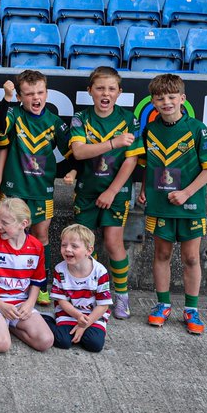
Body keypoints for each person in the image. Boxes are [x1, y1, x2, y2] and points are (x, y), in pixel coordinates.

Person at [139, 73, 207, 335]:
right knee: (162, 254)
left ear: (182, 99)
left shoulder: (198, 129)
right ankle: (162, 304)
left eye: (172, 97)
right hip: (160, 205)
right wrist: (142, 190)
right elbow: (148, 166)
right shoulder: (150, 130)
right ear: (153, 101)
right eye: (160, 97)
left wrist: (186, 193)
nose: (166, 102)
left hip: (190, 205)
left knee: (190, 257)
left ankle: (191, 309)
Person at [0, 69, 72, 305]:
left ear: (46, 93)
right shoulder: (13, 113)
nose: (36, 98)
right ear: (20, 96)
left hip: (41, 191)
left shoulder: (54, 122)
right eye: (29, 93)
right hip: (14, 190)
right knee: (4, 234)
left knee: (40, 237)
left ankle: (41, 285)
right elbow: (0, 129)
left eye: (40, 92)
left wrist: (73, 170)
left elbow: (72, 151)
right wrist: (6, 99)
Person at [67, 66, 143, 319]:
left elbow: (131, 160)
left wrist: (112, 191)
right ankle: (89, 294)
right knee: (85, 246)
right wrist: (113, 143)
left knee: (112, 242)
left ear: (120, 92)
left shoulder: (129, 119)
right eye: (100, 88)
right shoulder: (81, 118)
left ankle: (121, 296)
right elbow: (78, 152)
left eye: (111, 88)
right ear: (90, 91)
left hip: (116, 193)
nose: (105, 93)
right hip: (87, 191)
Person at [0, 197, 54, 354]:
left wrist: (30, 303)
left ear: (23, 224)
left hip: (19, 302)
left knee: (45, 341)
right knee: (1, 345)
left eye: (4, 223)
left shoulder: (36, 247)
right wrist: (0, 305)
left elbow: (36, 281)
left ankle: (8, 325)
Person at [44, 224, 111, 352]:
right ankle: (46, 320)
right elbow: (61, 300)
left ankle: (82, 332)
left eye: (74, 246)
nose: (67, 249)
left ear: (89, 250)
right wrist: (77, 316)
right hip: (68, 313)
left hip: (92, 316)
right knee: (62, 342)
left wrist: (83, 325)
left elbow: (103, 305)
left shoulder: (100, 271)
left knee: (94, 345)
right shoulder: (60, 269)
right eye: (64, 245)